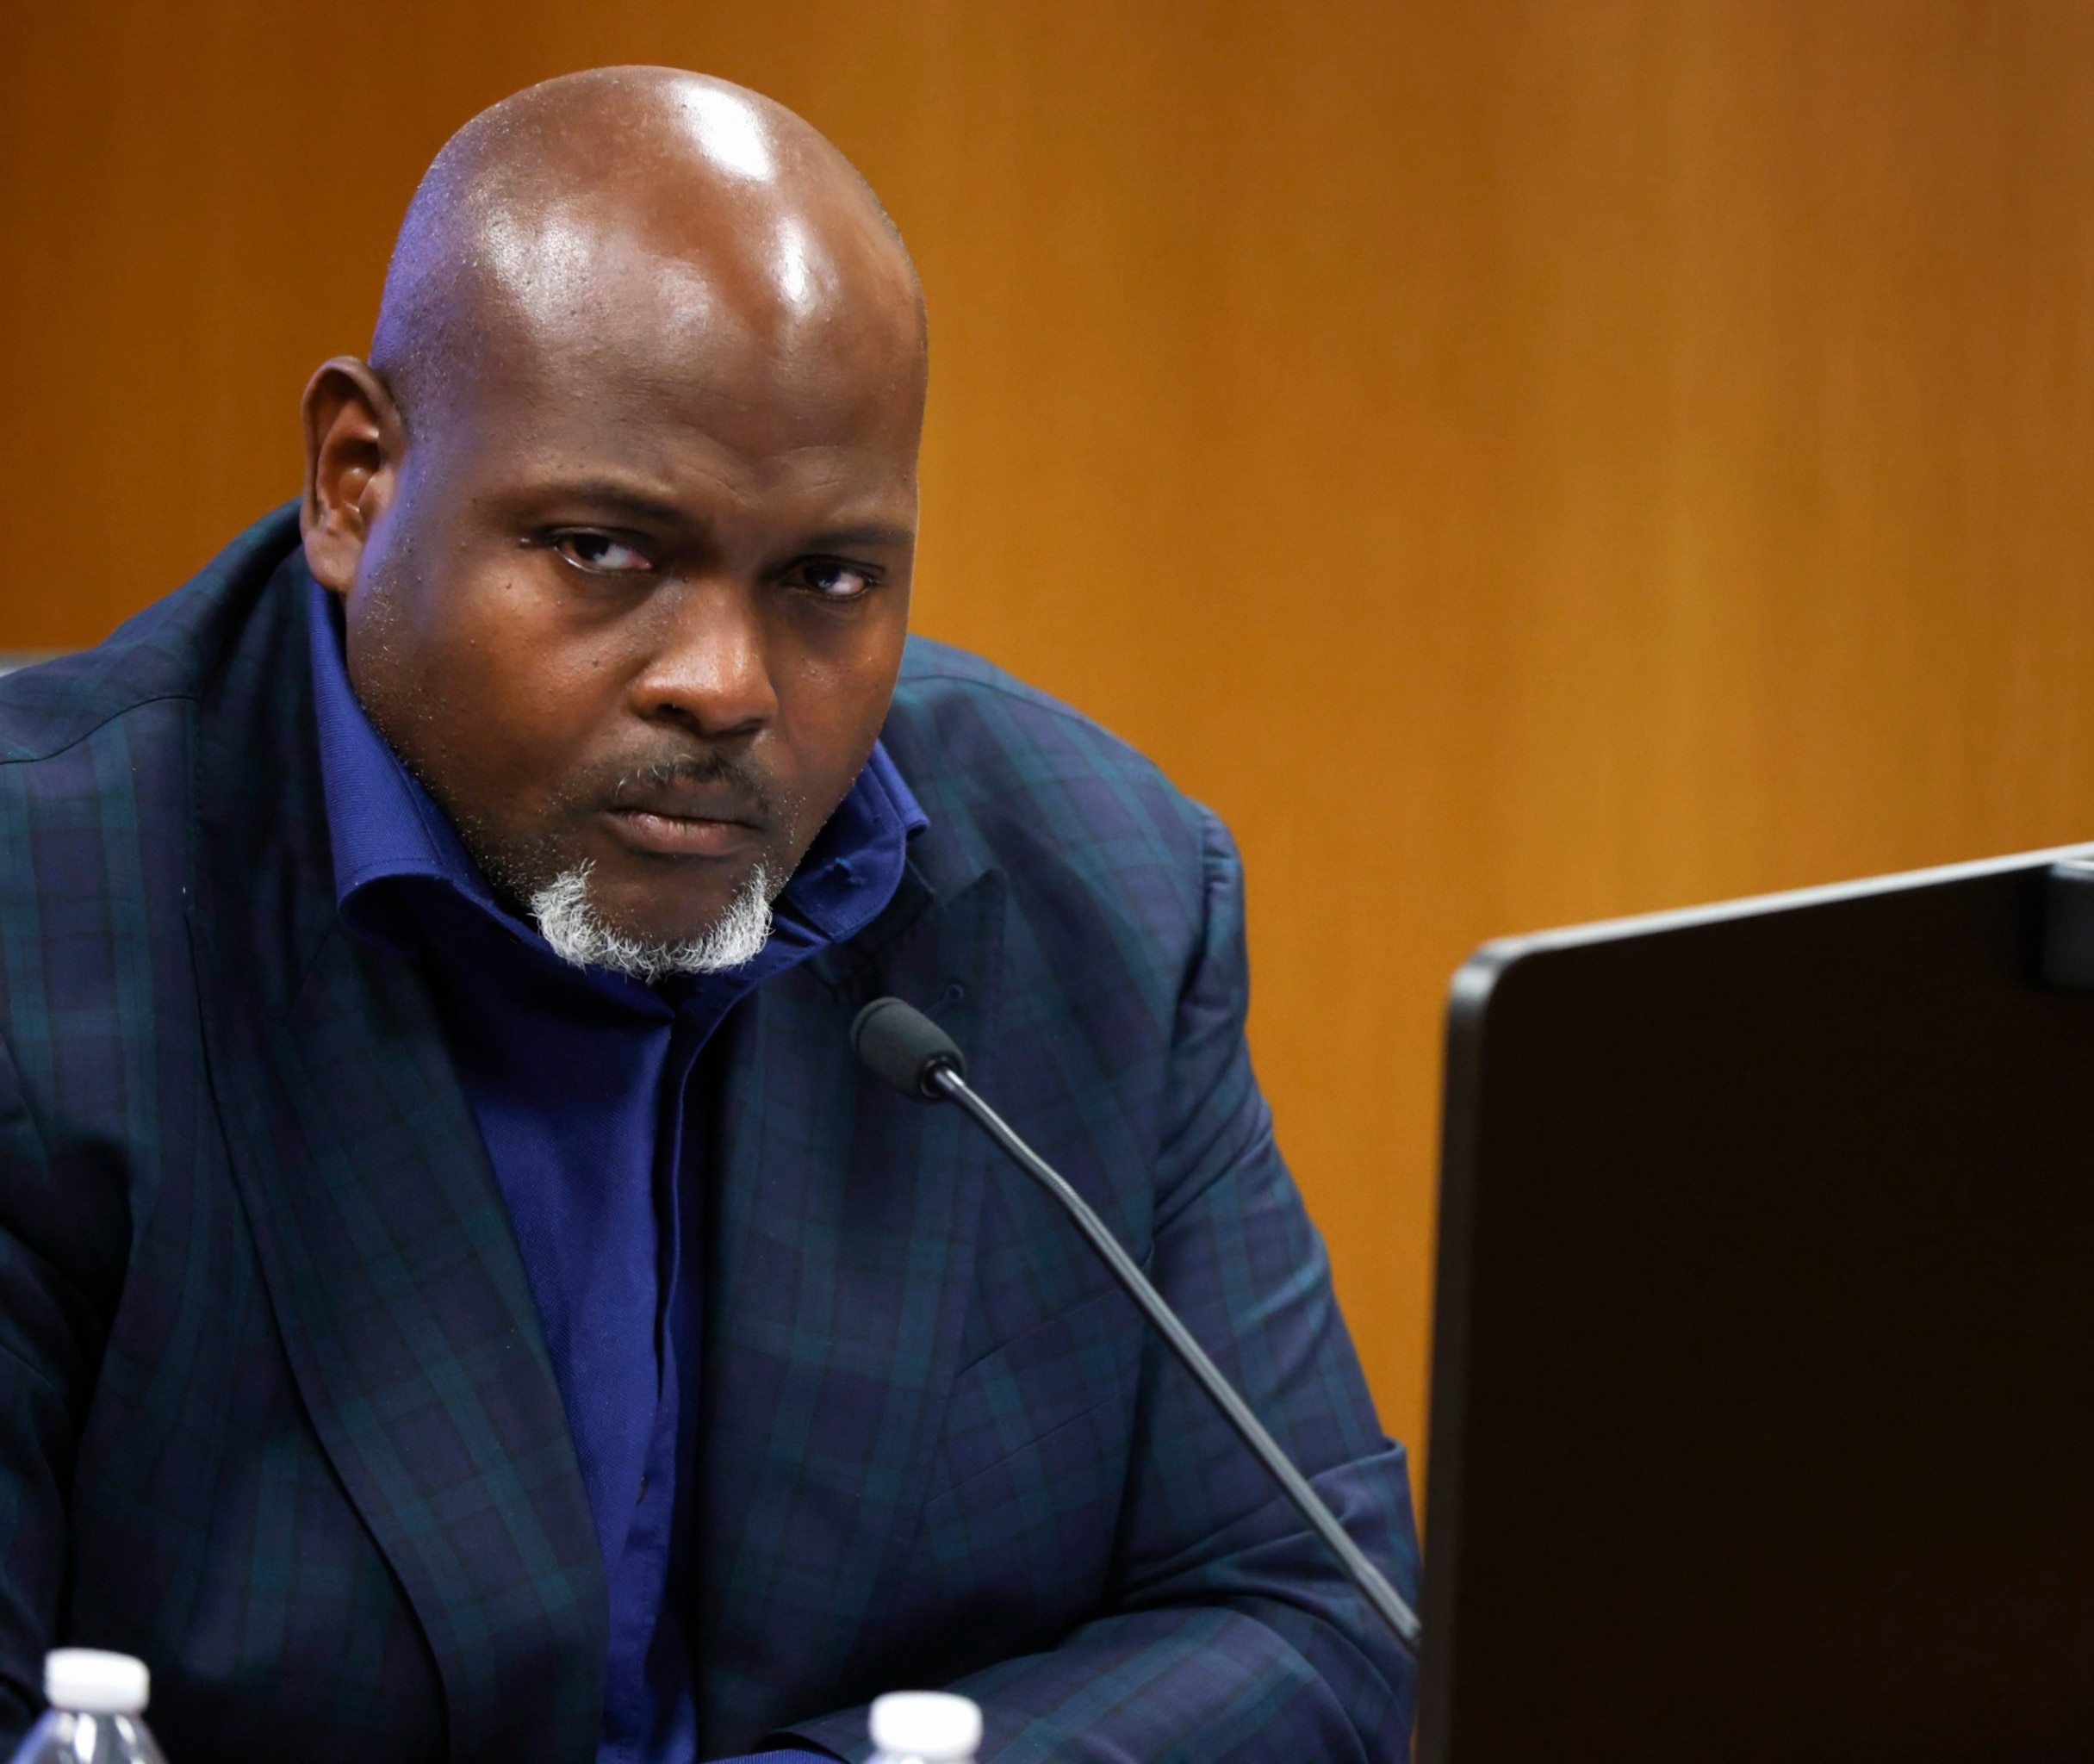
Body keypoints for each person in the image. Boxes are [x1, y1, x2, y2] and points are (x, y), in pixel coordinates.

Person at [0, 66, 1415, 1763]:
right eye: (605, 549)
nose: (728, 684)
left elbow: (1317, 1610)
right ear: (358, 479)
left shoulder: (1095, 895)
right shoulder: (47, 909)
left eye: (827, 579)